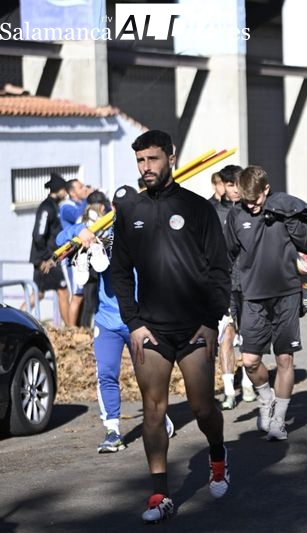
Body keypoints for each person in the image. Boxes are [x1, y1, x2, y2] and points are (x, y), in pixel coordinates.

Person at [110, 130, 231, 523]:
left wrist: (211, 321)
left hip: (195, 328)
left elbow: (219, 269)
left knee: (202, 407)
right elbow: (119, 272)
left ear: (170, 158)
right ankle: (159, 495)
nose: (146, 167)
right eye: (140, 161)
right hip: (152, 330)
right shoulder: (131, 211)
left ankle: (217, 455)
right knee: (152, 409)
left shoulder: (196, 208)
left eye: (153, 159)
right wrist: (133, 322)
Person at [57, 186, 175, 453]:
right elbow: (59, 239)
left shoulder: (148, 232)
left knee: (149, 376)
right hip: (108, 320)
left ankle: (159, 415)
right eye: (117, 208)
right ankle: (112, 431)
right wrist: (80, 231)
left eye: (127, 208)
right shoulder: (104, 232)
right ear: (112, 209)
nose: (121, 213)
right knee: (106, 374)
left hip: (140, 320)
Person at [225, 165, 307, 441]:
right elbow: (228, 254)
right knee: (250, 361)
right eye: (246, 200)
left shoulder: (283, 209)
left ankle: (279, 420)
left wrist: (293, 220)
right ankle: (265, 398)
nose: (251, 205)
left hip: (286, 294)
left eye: (255, 199)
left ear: (266, 190)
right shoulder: (236, 215)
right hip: (252, 296)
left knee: (284, 358)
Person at [209, 165, 254, 410]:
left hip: (250, 281)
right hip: (223, 284)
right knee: (226, 334)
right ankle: (228, 390)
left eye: (238, 184)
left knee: (248, 334)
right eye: (229, 185)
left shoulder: (252, 211)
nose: (235, 189)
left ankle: (247, 383)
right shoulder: (212, 212)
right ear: (222, 186)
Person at [27, 173, 70, 324]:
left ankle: (17, 318)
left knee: (38, 294)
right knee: (63, 291)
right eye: (64, 189)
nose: (66, 193)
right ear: (57, 189)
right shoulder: (46, 207)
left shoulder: (54, 206)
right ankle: (71, 329)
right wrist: (46, 258)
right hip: (46, 259)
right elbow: (38, 235)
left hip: (50, 258)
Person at [60, 178, 93, 327]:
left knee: (82, 294)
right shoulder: (66, 207)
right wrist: (88, 198)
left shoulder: (80, 204)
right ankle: (71, 330)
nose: (84, 188)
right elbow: (77, 217)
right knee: (77, 294)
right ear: (72, 192)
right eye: (81, 187)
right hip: (71, 257)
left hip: (81, 255)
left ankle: (76, 329)